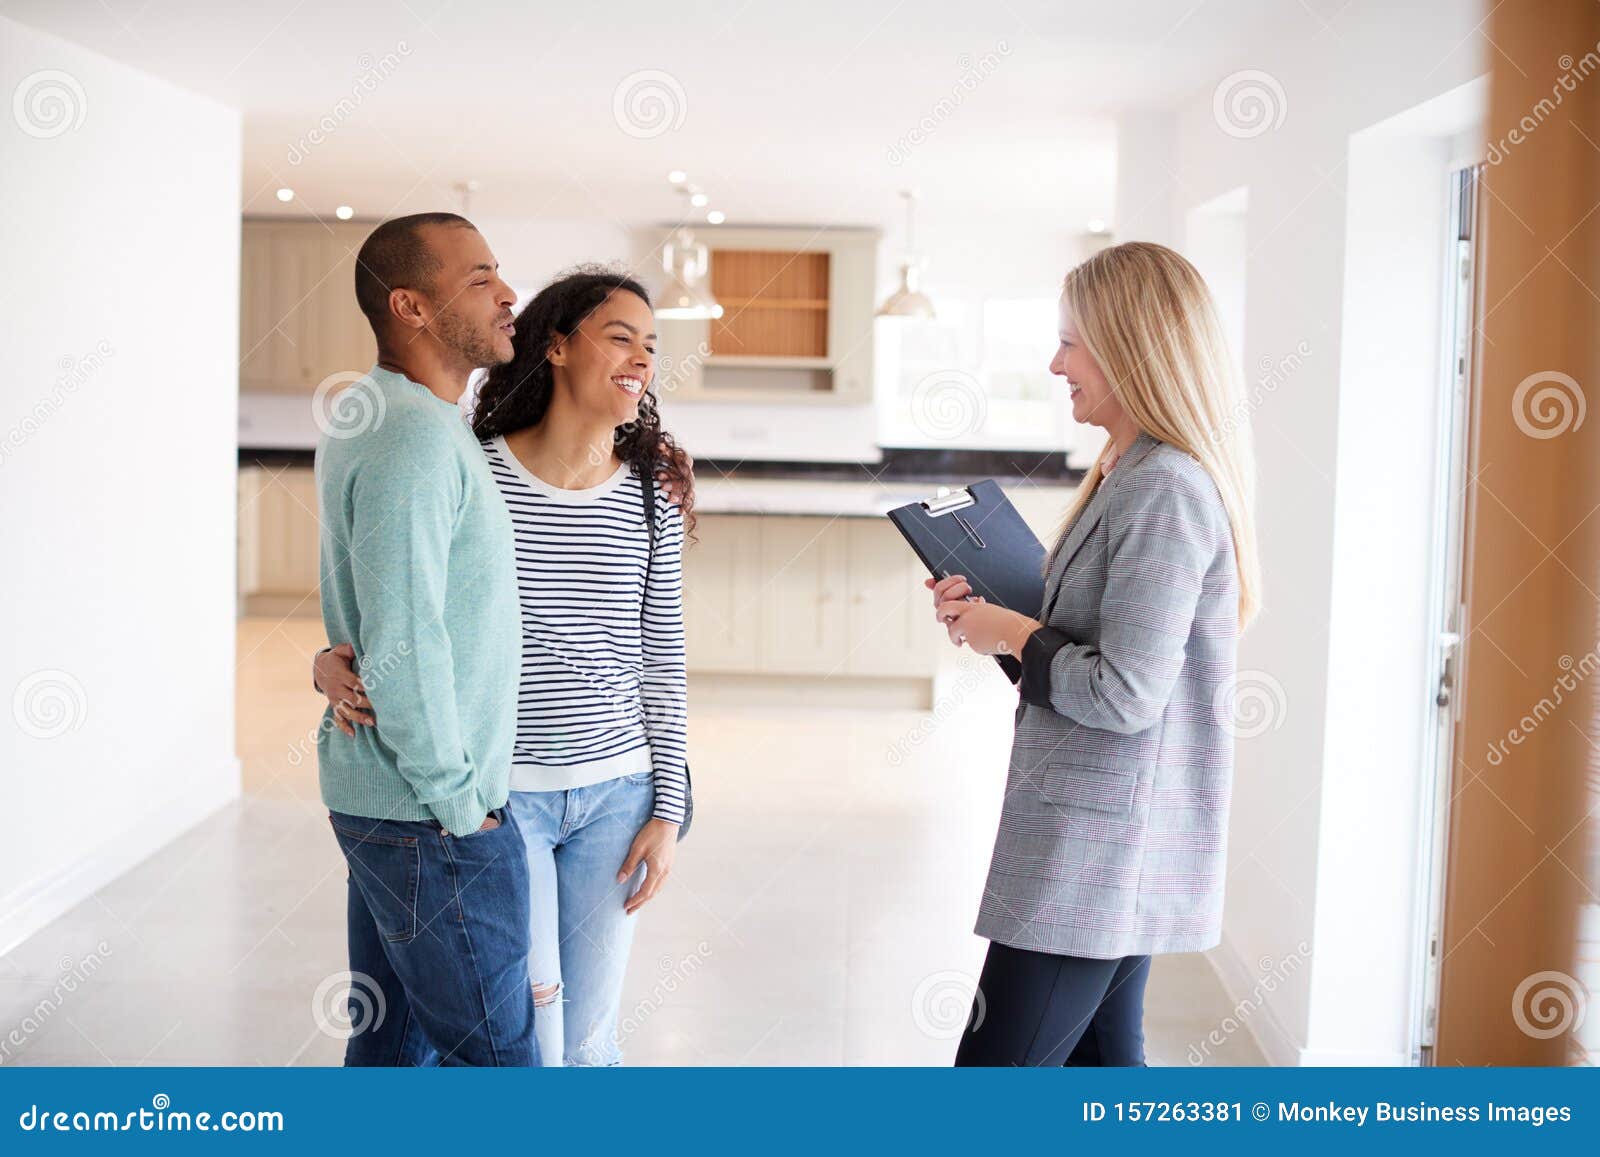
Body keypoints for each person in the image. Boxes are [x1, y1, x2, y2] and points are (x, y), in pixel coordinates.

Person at [316, 268, 692, 1066]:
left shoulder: (653, 492)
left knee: (590, 1042)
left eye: (651, 346)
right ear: (556, 346)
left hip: (616, 795)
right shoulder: (472, 465)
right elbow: (403, 603)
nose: (641, 359)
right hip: (501, 796)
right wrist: (328, 658)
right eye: (620, 336)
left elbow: (662, 652)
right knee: (531, 1039)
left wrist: (671, 807)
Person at [928, 241, 1261, 1066]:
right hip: (1104, 845)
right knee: (1107, 1078)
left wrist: (1010, 630)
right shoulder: (1132, 471)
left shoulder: (1164, 487)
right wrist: (995, 624)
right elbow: (1089, 656)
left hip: (1094, 856)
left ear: (1131, 347)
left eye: (1071, 341)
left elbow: (1124, 692)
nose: (1054, 363)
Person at [315, 212, 535, 1066]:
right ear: (409, 305)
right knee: (500, 1058)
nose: (507, 293)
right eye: (479, 278)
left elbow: (377, 606)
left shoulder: (399, 416)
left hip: (394, 802)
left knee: (392, 1049)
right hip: (428, 813)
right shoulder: (410, 434)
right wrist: (461, 805)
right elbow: (406, 635)